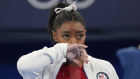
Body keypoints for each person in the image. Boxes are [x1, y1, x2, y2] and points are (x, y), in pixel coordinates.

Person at [17, 0, 119, 79]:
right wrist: (62, 50)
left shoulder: (104, 68)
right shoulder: (43, 68)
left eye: (80, 36)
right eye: (66, 36)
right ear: (54, 36)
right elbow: (23, 67)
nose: (74, 42)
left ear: (85, 35)